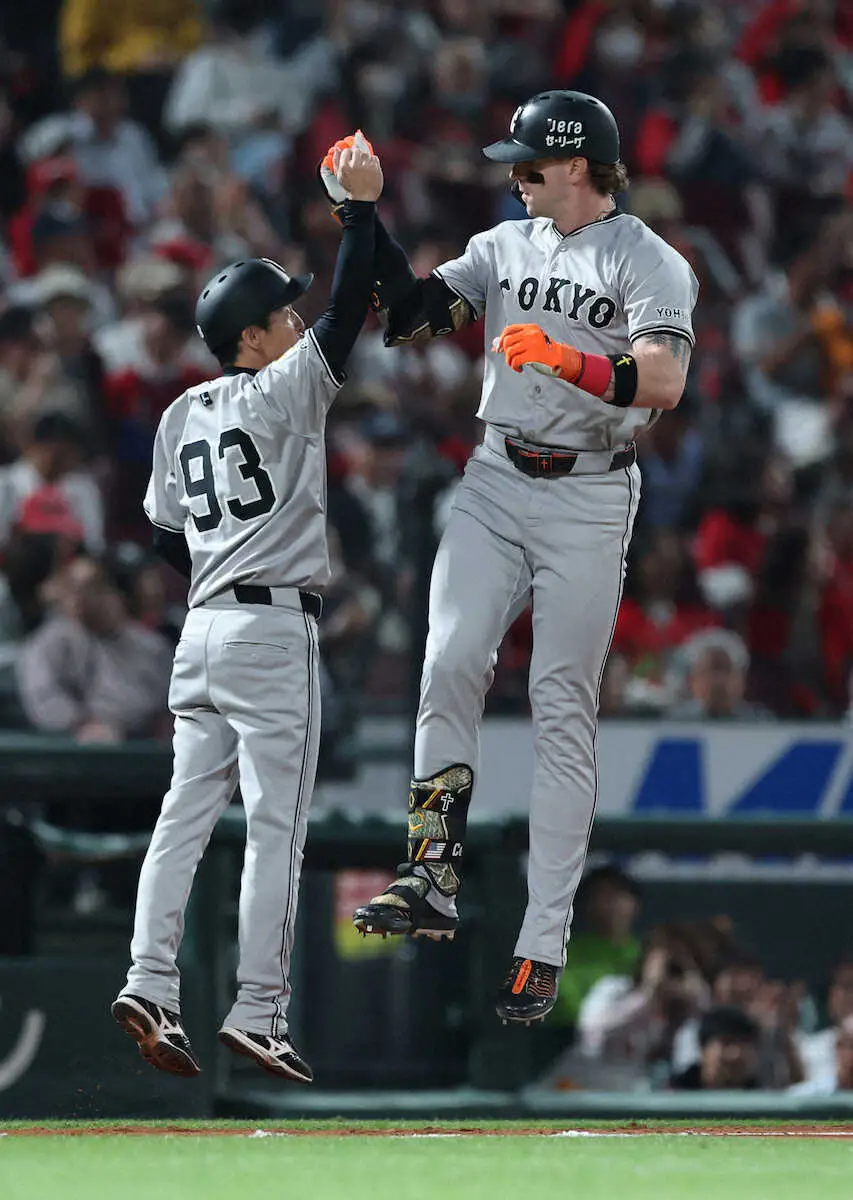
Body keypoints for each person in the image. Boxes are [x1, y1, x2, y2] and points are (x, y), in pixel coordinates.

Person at [343, 91, 698, 1024]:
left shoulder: (648, 260)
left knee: (560, 706)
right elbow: (410, 317)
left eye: (529, 164)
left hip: (590, 491)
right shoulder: (503, 244)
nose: (515, 178)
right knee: (448, 658)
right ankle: (430, 872)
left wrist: (566, 360)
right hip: (497, 475)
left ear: (578, 166)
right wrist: (363, 216)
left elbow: (664, 379)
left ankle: (542, 944)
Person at [111, 140, 383, 1082]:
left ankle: (149, 980)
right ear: (253, 338)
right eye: (283, 313)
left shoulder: (180, 412)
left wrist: (221, 569)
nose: (297, 320)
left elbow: (163, 538)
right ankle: (260, 1008)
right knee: (276, 827)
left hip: (201, 627)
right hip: (269, 629)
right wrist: (357, 214)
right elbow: (350, 309)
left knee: (182, 815)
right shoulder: (282, 389)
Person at [670, 1006, 763, 1090]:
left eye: (743, 1044)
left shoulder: (761, 1095)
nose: (735, 1054)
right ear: (703, 1049)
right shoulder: (674, 1094)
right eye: (727, 1043)